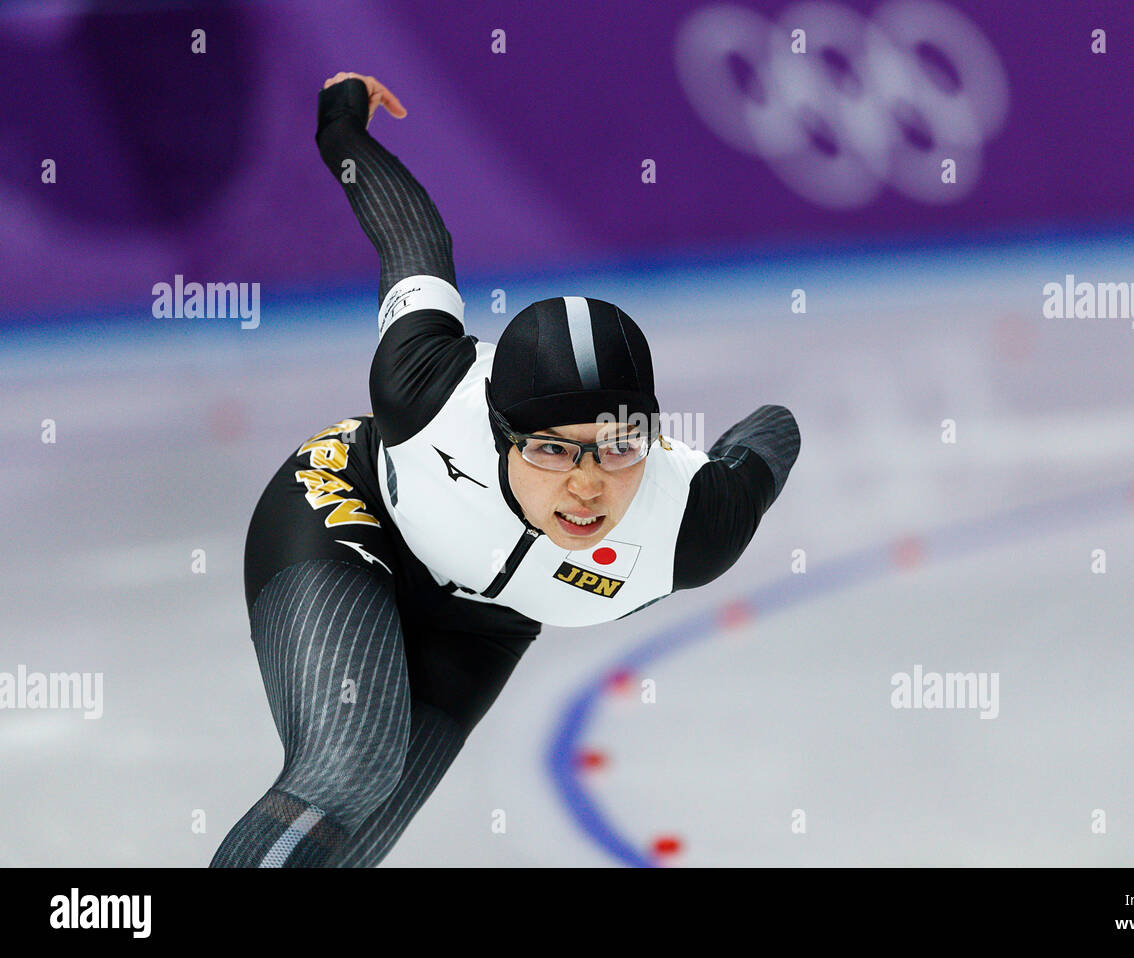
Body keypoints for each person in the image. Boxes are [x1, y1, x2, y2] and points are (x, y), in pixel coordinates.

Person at [210, 73, 801, 867]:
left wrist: (738, 453)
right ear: (498, 433)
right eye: (554, 449)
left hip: (484, 626)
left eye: (619, 446)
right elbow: (412, 242)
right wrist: (341, 123)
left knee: (349, 845)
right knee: (350, 768)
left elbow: (774, 431)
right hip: (350, 520)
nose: (588, 485)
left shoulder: (688, 526)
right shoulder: (429, 390)